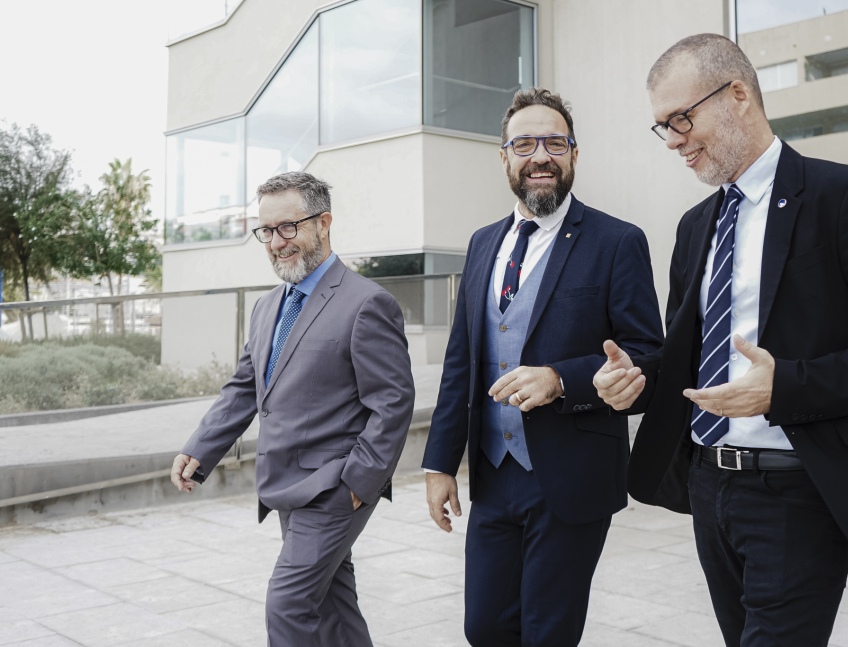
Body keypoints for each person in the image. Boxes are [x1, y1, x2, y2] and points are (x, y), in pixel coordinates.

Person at [594, 33, 848, 646]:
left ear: (739, 96)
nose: (673, 140)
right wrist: (637, 381)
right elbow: (686, 356)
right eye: (662, 127)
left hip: (798, 490)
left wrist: (786, 388)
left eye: (681, 118)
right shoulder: (696, 225)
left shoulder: (843, 197)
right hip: (709, 485)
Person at [422, 87, 664, 646]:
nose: (541, 156)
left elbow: (648, 357)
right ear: (504, 157)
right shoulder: (483, 244)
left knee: (547, 634)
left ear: (574, 155)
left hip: (571, 477)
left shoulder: (617, 241)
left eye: (556, 142)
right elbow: (461, 362)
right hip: (493, 474)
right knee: (484, 628)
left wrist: (561, 380)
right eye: (525, 143)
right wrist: (439, 464)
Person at [169, 171, 414, 646]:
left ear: (323, 223)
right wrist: (201, 447)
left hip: (334, 488)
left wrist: (357, 486)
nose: (277, 242)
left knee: (288, 605)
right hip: (284, 485)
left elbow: (393, 403)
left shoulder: (368, 303)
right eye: (266, 231)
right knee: (332, 607)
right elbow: (245, 387)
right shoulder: (266, 308)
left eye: (289, 227)